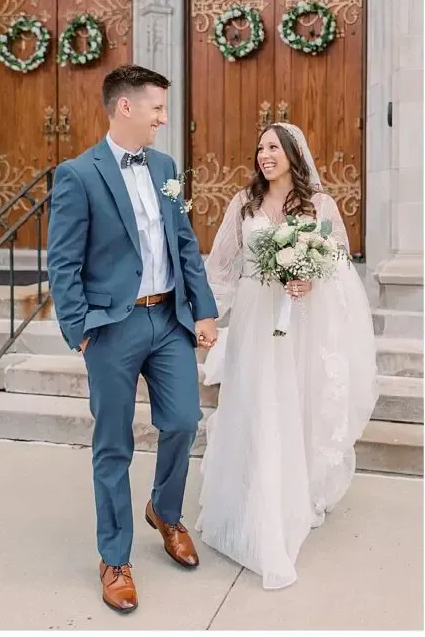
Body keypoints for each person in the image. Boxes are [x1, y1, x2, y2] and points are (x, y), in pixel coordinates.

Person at [47, 64, 219, 614]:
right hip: (112, 326)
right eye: (157, 110)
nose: (164, 120)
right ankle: (115, 557)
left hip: (168, 320)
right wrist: (80, 329)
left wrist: (205, 311)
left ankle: (165, 512)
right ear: (126, 107)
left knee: (184, 421)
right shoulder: (78, 174)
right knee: (114, 445)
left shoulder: (166, 166)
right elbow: (64, 261)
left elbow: (184, 244)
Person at [197, 122, 378, 589]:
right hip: (256, 320)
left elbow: (338, 262)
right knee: (255, 402)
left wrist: (311, 278)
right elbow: (220, 266)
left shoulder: (320, 206)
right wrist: (206, 318)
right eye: (260, 148)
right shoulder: (244, 203)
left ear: (293, 153)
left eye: (273, 147)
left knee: (296, 400)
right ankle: (250, 501)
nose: (264, 155)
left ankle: (294, 494)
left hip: (300, 323)